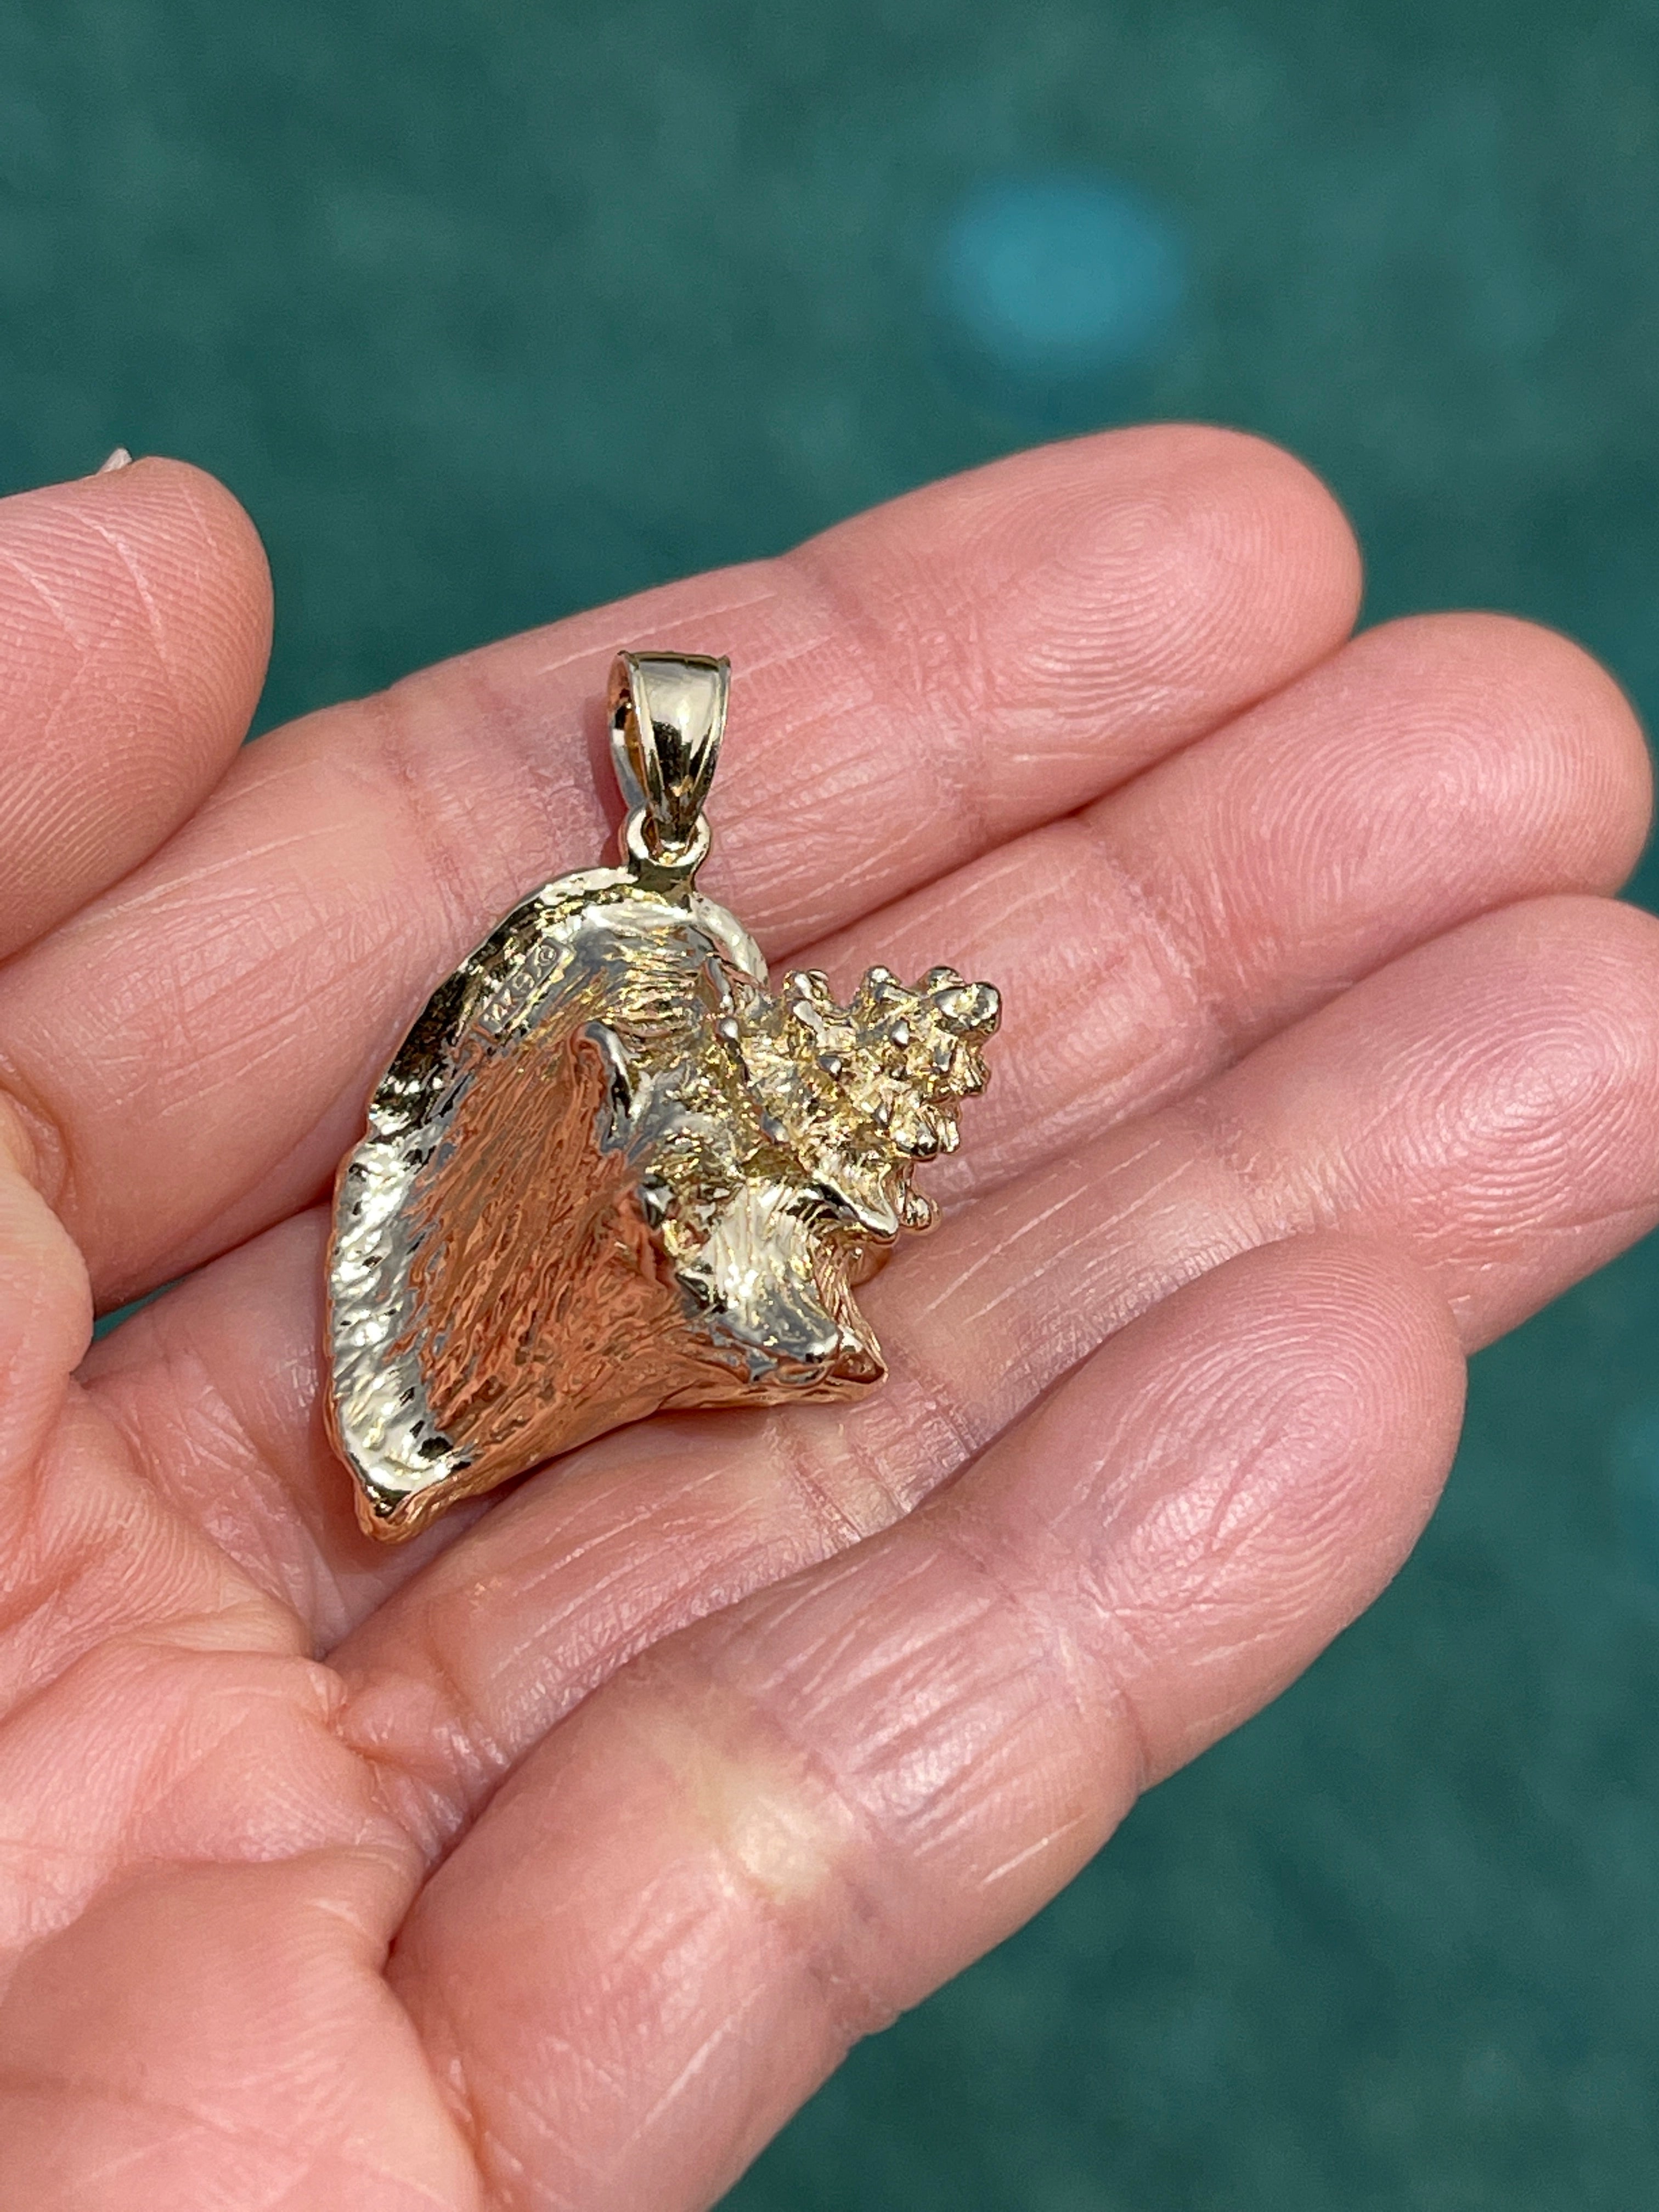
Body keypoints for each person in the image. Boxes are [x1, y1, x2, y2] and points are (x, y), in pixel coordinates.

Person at [0, 428, 1652, 2210]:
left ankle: (426, 1438)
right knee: (446, 1399)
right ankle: (422, 1438)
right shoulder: (647, 1004)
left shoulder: (761, 1239)